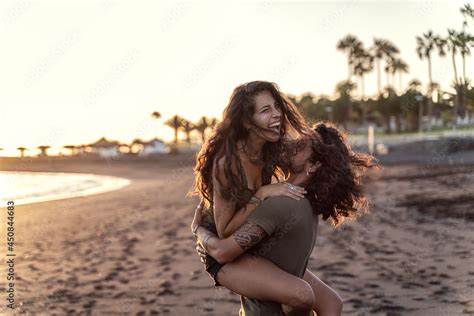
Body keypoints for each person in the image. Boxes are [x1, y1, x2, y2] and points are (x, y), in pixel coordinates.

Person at [193, 99, 378, 315]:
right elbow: (333, 304)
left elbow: (223, 252)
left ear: (312, 166)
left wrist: (199, 231)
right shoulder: (307, 204)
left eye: (299, 146)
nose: (291, 145)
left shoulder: (279, 203)